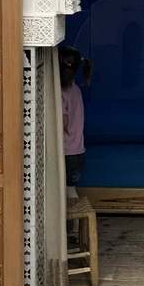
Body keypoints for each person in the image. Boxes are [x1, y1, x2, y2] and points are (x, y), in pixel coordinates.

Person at [59, 45, 93, 194]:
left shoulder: (59, 94)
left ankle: (63, 217)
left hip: (65, 152)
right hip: (78, 151)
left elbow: (63, 123)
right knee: (70, 189)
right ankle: (75, 217)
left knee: (59, 191)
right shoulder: (76, 89)